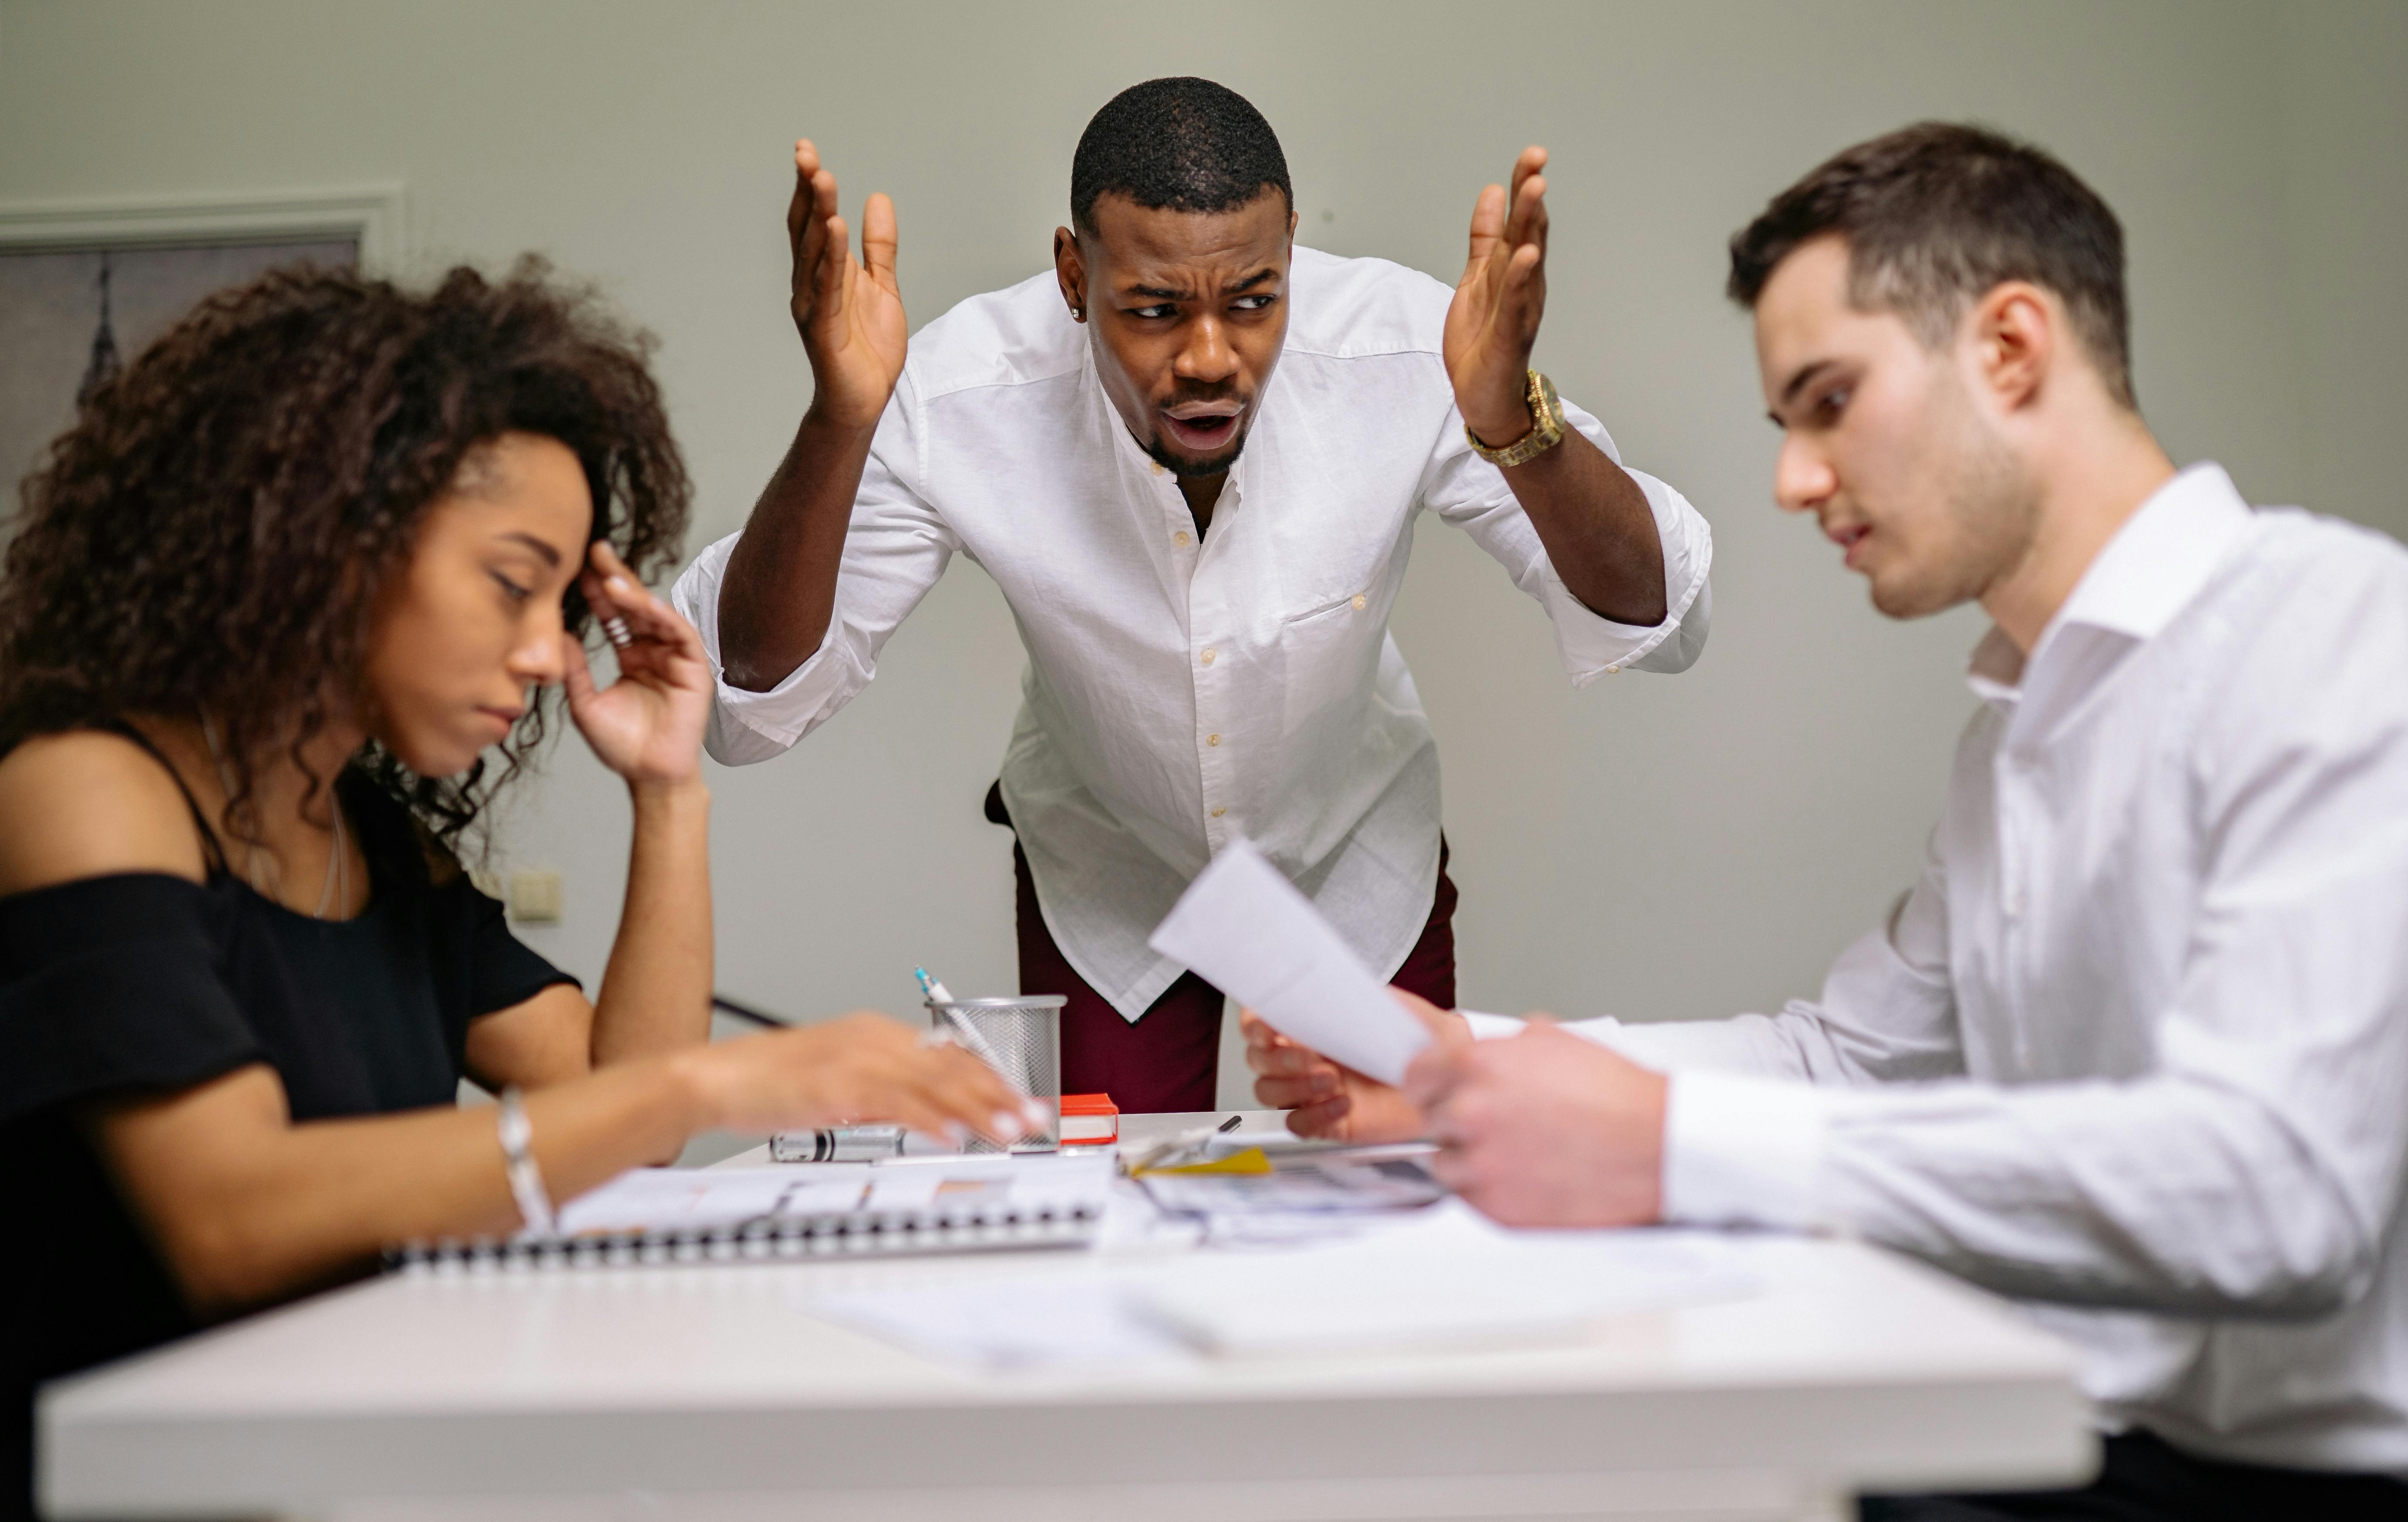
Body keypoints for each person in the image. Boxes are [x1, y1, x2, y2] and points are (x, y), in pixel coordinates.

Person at [1246, 123, 2408, 1518]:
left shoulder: (2343, 637)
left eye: (1829, 402)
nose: (1795, 482)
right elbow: (1844, 1065)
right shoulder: (2017, 739)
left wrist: (1668, 1145)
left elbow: (2274, 1194)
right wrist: (1457, 1060)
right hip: (2091, 1442)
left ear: (2012, 349)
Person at [0, 260, 1042, 1520]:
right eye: (511, 583)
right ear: (329, 536)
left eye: (562, 602)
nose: (551, 655)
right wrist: (712, 1079)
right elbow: (231, 1221)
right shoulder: (83, 790)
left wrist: (669, 792)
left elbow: (624, 1127)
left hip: (322, 1468)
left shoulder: (374, 842)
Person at [673, 77, 1713, 1113]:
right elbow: (749, 696)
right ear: (1075, 274)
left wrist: (1509, 427)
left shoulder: (1416, 349)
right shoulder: (957, 394)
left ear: (1293, 251)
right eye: (1155, 309)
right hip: (1108, 872)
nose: (1210, 358)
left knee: (1395, 1195)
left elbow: (1661, 611)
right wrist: (840, 422)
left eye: (1254, 300)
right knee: (1099, 1205)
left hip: (1354, 861)